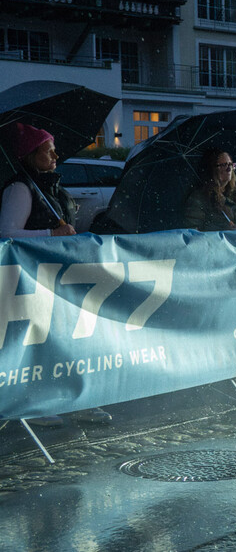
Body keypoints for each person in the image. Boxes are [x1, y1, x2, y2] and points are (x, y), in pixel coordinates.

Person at [0, 123, 111, 425]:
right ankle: (36, 403)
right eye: (48, 151)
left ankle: (80, 399)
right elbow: (7, 233)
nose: (56, 156)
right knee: (40, 340)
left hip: (59, 273)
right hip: (32, 277)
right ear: (31, 155)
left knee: (67, 337)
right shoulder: (20, 189)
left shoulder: (50, 188)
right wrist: (53, 232)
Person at [183, 147, 236, 231]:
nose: (229, 169)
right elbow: (192, 231)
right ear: (212, 169)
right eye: (223, 165)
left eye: (230, 164)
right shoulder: (199, 198)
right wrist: (223, 231)